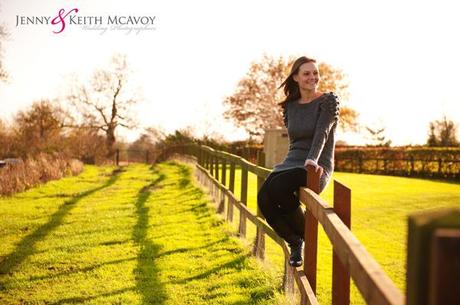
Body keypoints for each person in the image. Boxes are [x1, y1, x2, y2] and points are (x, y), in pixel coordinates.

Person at [257, 56, 340, 267]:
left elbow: (322, 133)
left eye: (315, 73)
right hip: (291, 162)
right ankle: (295, 242)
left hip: (318, 164)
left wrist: (312, 159)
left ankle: (305, 232)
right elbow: (295, 142)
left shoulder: (328, 101)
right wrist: (291, 162)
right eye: (307, 73)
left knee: (278, 187)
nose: (313, 77)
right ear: (295, 77)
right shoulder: (290, 107)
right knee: (264, 198)